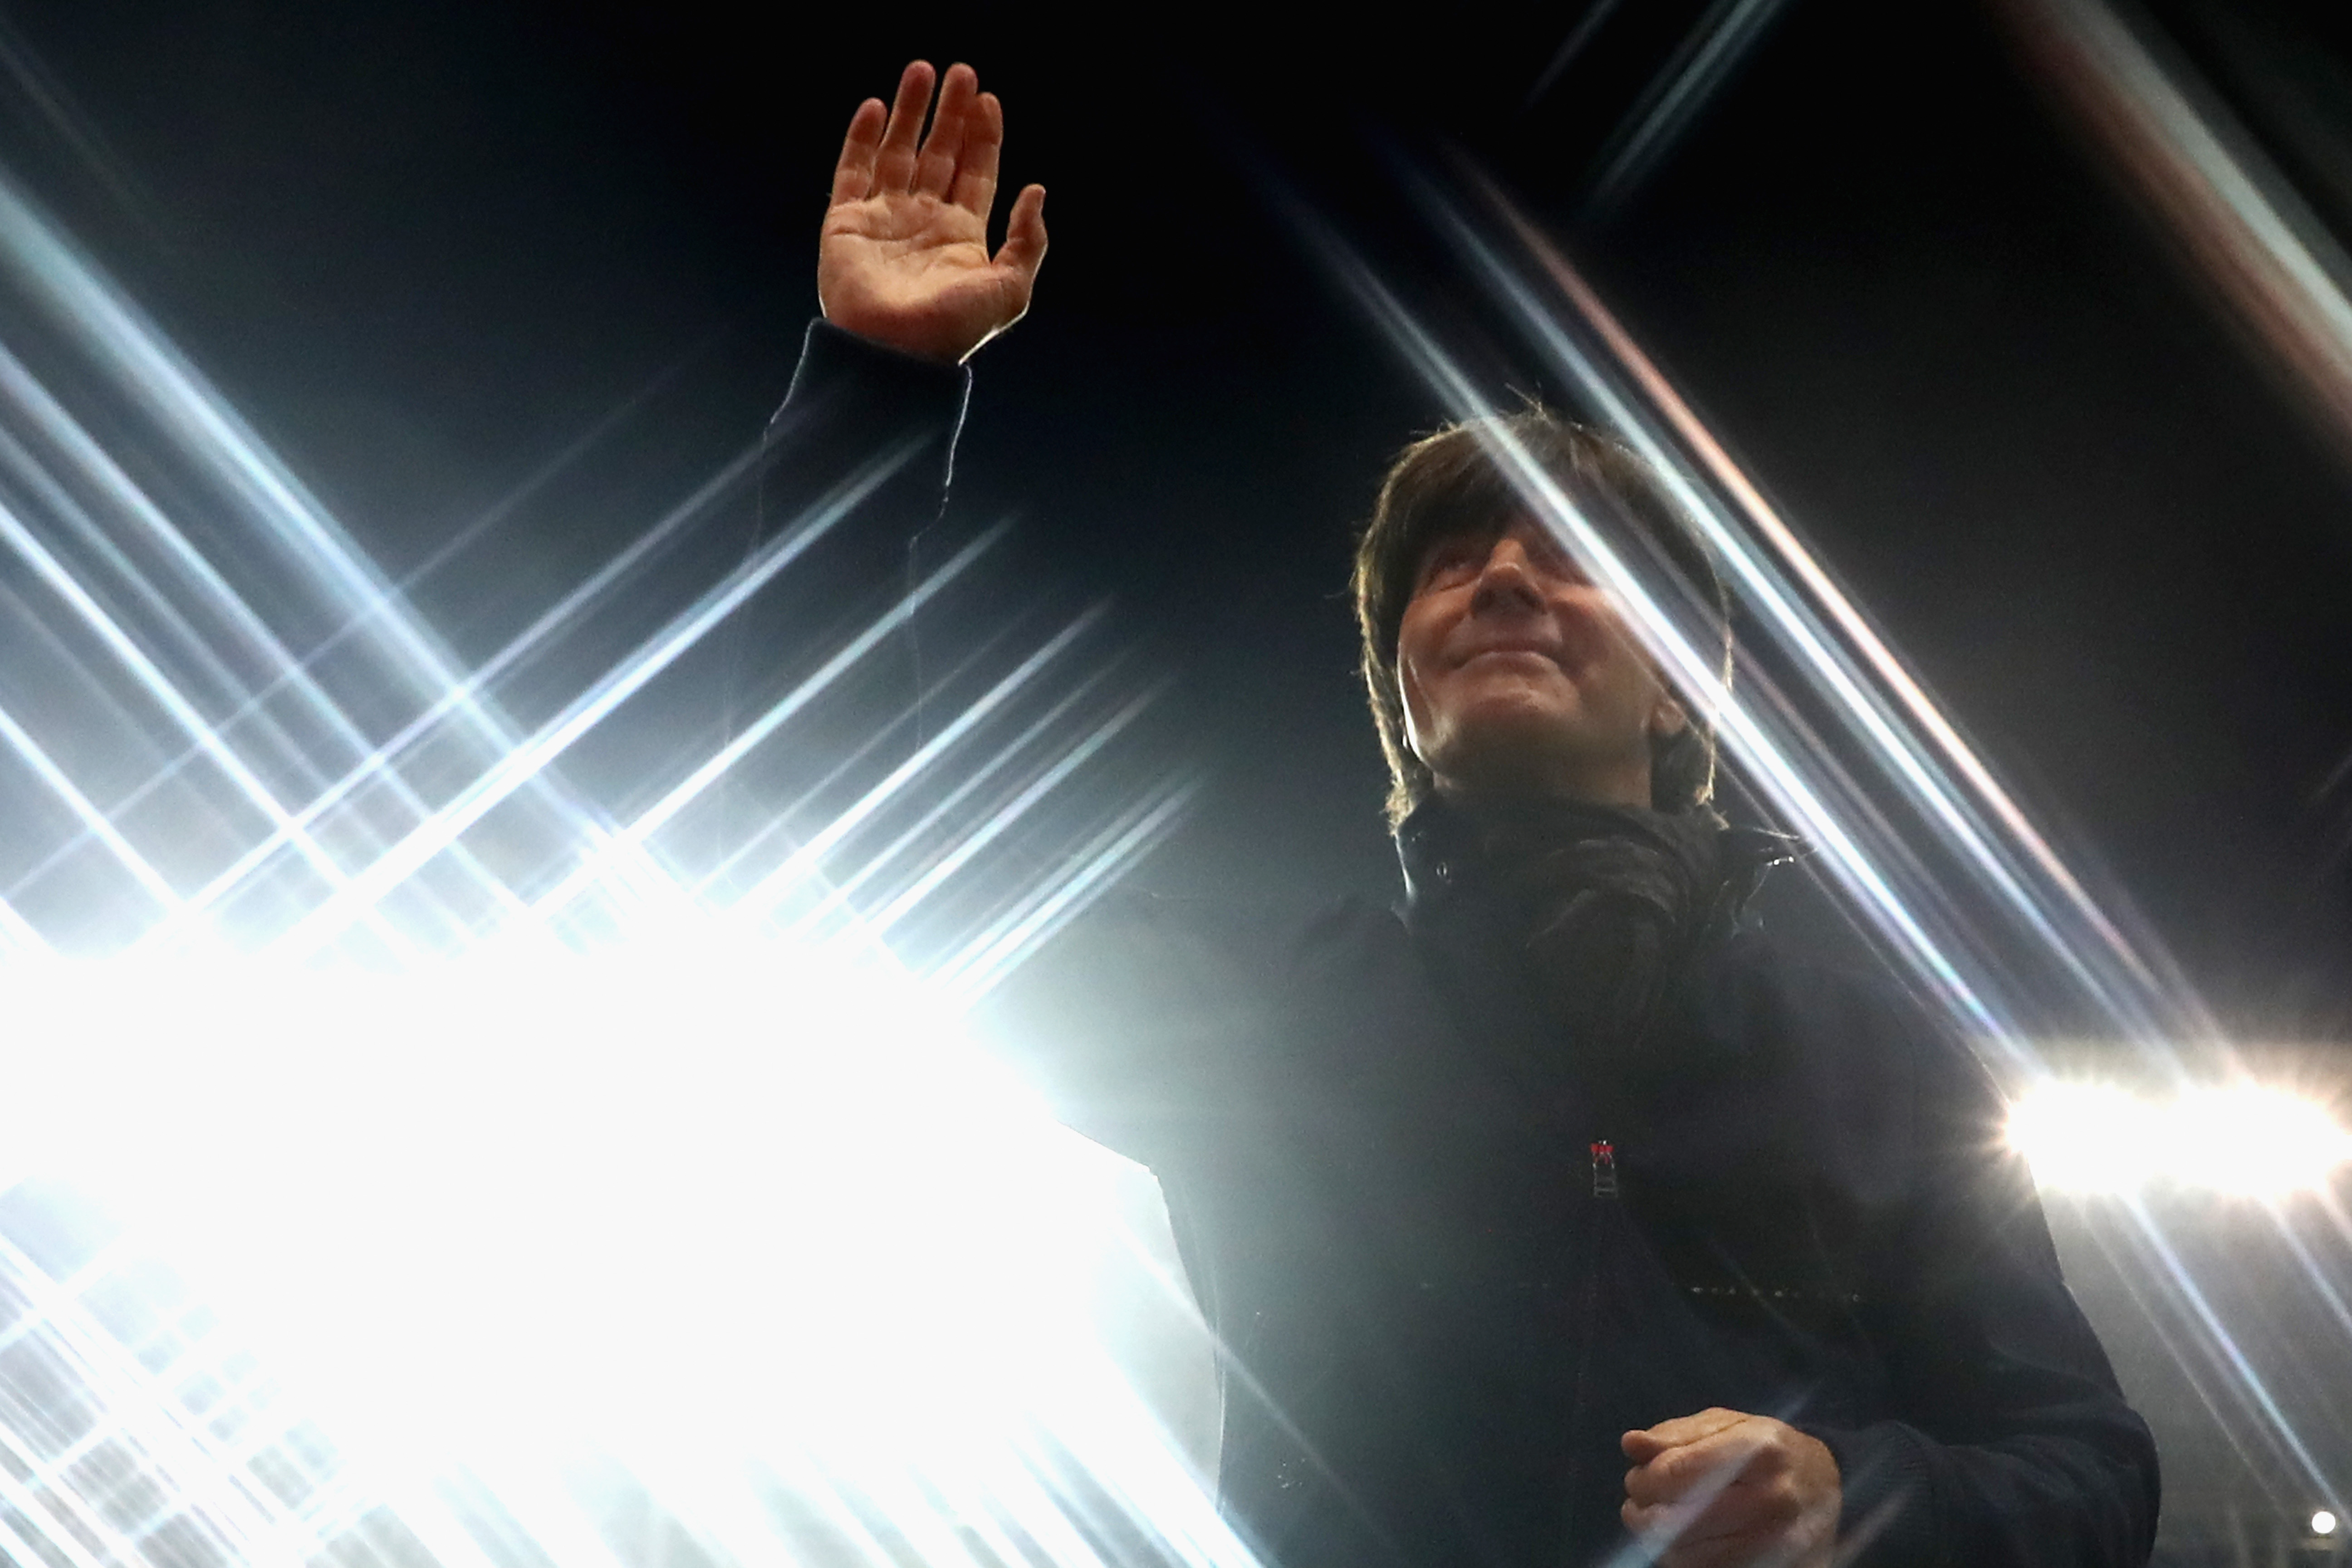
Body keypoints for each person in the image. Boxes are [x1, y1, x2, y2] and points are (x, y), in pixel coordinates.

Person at [765, 59, 2161, 1568]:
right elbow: (854, 870)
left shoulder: (1877, 1061)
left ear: (1678, 691)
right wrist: (875, 394)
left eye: (1572, 559)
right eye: (1451, 567)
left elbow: (2092, 1472)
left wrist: (1855, 1498)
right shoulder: (1271, 1015)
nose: (1502, 578)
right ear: (1407, 698)